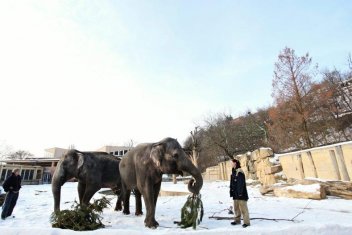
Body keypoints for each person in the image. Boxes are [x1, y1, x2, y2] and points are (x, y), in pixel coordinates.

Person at [229, 159, 250, 228]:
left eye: (231, 162)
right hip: (235, 194)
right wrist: (231, 191)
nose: (230, 164)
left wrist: (240, 193)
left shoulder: (239, 172)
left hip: (241, 194)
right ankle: (237, 220)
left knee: (244, 209)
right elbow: (232, 183)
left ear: (235, 163)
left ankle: (246, 222)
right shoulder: (233, 171)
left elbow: (241, 183)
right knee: (236, 209)